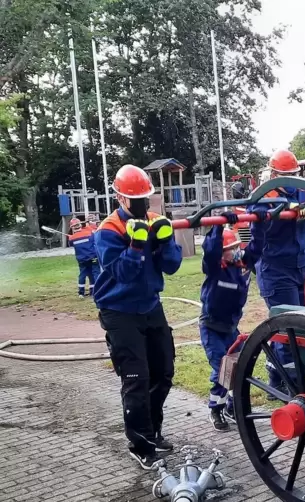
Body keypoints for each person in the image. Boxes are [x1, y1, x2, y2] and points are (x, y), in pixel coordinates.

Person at [93, 164, 183, 470]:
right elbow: (122, 273)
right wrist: (135, 244)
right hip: (119, 310)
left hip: (149, 305)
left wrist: (166, 242)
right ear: (120, 198)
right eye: (137, 199)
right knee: (136, 379)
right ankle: (140, 443)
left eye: (146, 198)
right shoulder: (109, 230)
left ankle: (153, 430)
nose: (143, 205)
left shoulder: (157, 220)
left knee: (164, 371)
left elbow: (171, 267)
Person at [246, 149, 305, 398]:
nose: (291, 180)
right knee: (288, 328)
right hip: (277, 271)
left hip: (304, 267)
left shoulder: (302, 188)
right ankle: (287, 383)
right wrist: (292, 208)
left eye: (294, 175)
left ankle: (287, 377)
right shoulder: (265, 196)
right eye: (286, 176)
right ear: (274, 174)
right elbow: (258, 210)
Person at [198, 223, 252, 430]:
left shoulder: (243, 267)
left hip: (231, 329)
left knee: (239, 367)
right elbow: (210, 250)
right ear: (221, 253)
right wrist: (218, 228)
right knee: (222, 369)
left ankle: (231, 407)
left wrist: (261, 222)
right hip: (212, 329)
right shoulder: (214, 269)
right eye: (230, 249)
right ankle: (215, 409)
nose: (236, 252)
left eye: (236, 247)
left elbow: (257, 247)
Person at [68, 217, 100, 298]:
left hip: (81, 260)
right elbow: (95, 238)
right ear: (80, 224)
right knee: (95, 273)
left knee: (83, 274)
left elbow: (71, 244)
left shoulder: (72, 238)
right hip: (93, 257)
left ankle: (81, 292)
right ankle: (95, 291)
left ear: (72, 227)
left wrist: (72, 236)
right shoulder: (89, 232)